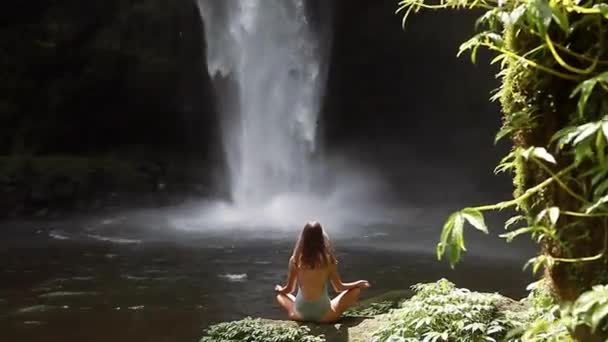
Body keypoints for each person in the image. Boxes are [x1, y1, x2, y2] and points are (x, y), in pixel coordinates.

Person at [274, 221, 371, 322]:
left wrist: (280, 290)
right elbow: (339, 287)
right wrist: (358, 283)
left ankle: (296, 312)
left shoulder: (295, 260)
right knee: (356, 290)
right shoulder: (328, 260)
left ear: (303, 239)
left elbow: (289, 289)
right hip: (325, 316)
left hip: (299, 314)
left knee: (281, 295)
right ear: (321, 239)